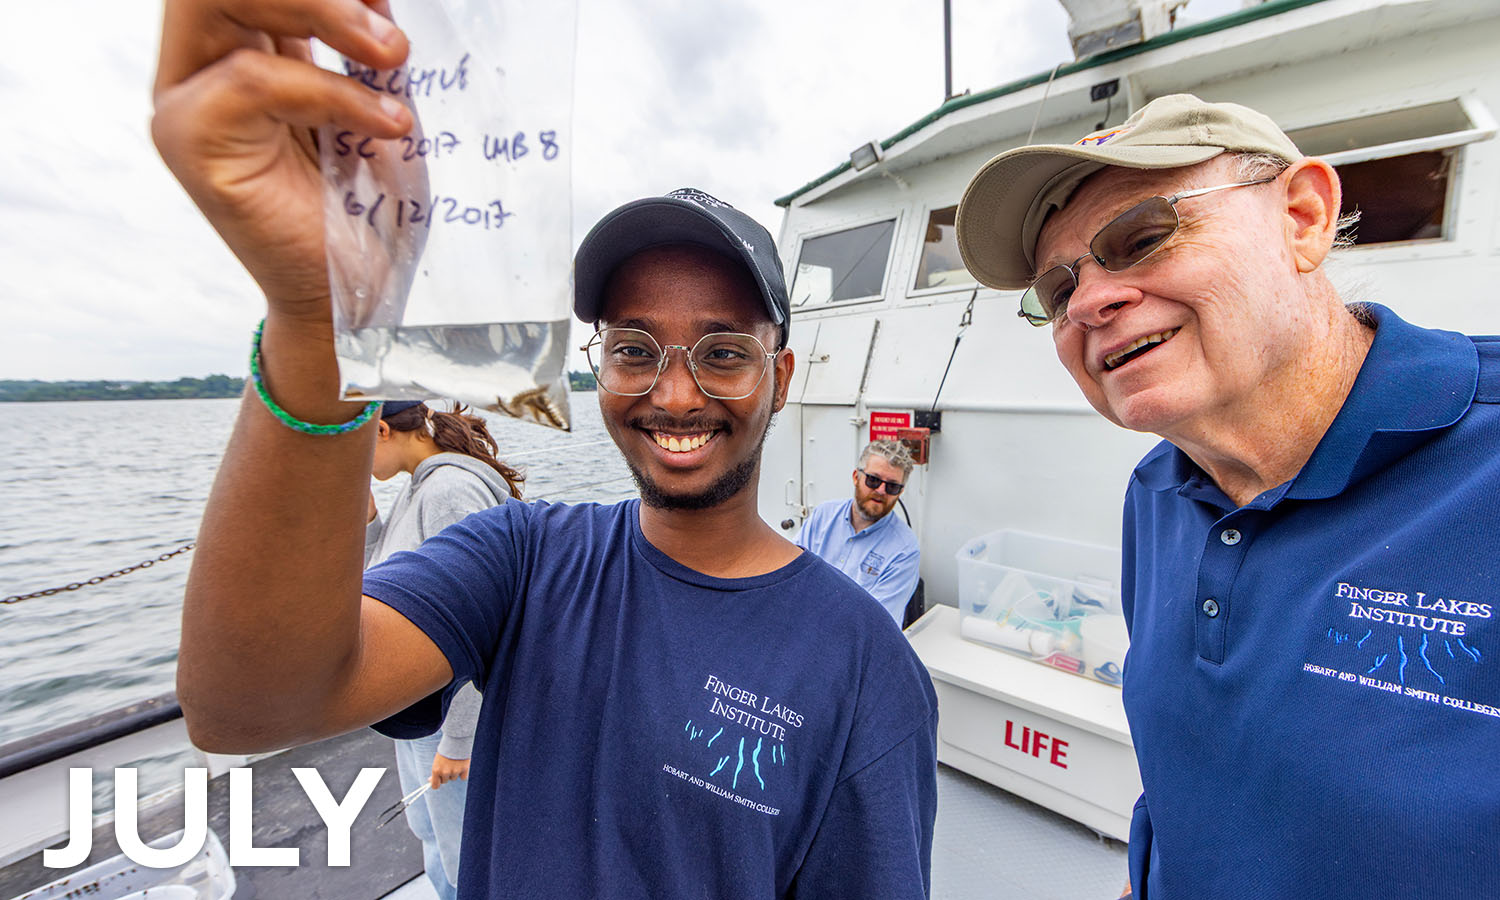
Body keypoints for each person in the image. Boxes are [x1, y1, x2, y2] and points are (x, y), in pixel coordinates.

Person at [152, 4, 938, 898]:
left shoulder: (868, 667)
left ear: (781, 376)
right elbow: (244, 705)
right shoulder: (521, 558)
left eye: (722, 354)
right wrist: (316, 309)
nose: (675, 396)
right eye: (636, 350)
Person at [953, 93, 1500, 899]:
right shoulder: (1158, 494)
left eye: (1142, 236)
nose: (1091, 301)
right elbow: (1183, 789)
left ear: (1304, 218)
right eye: (1059, 286)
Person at [365, 399, 522, 900]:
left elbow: (488, 622)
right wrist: (369, 521)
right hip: (418, 710)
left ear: (384, 430)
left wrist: (461, 741)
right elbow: (387, 582)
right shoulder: (417, 486)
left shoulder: (450, 490)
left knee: (465, 858)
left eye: (353, 445)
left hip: (452, 714)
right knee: (433, 836)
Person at [796, 439, 921, 626]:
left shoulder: (905, 550)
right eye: (873, 480)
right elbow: (793, 577)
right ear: (856, 477)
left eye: (892, 486)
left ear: (900, 492)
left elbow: (875, 624)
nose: (880, 491)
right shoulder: (823, 515)